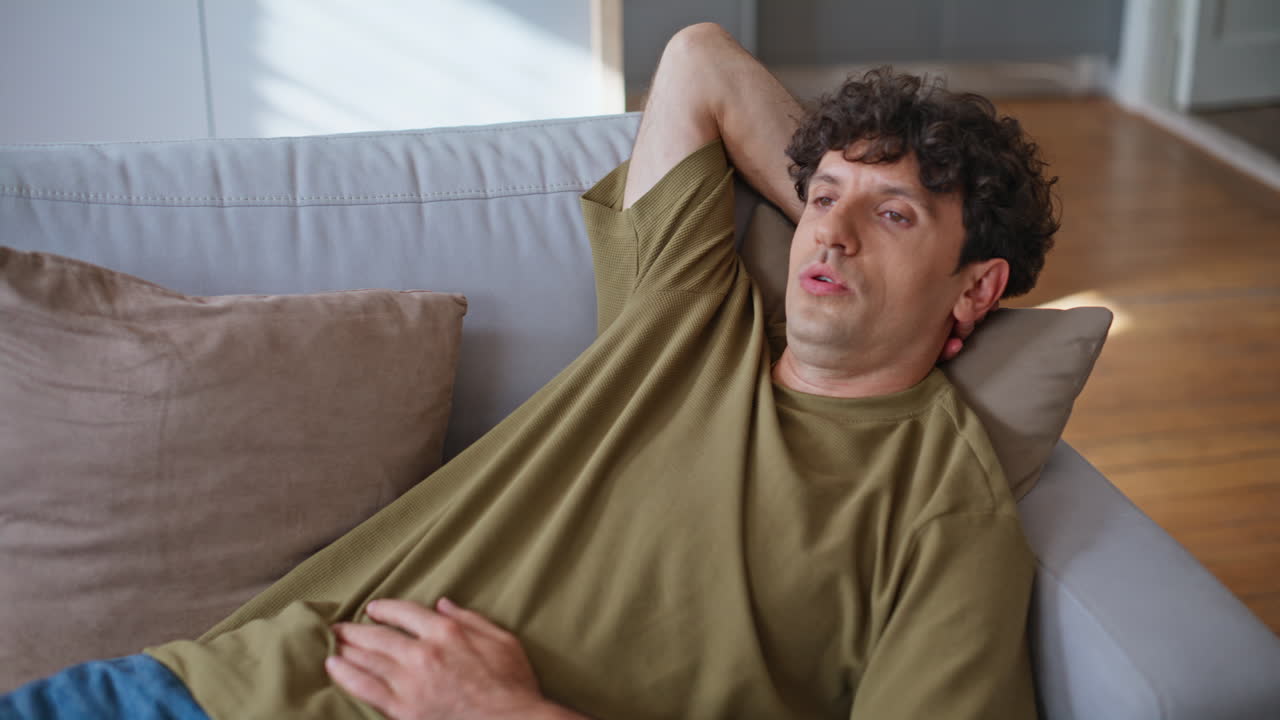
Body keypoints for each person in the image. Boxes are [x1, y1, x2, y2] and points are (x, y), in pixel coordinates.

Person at [0, 22, 1057, 720]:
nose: (829, 234)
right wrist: (857, 207)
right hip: (218, 697)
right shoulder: (688, 316)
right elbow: (697, 62)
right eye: (820, 199)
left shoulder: (941, 511)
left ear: (978, 287)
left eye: (894, 216)